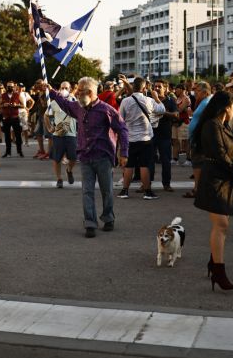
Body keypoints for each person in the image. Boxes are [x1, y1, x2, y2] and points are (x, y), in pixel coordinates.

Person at [49, 77, 128, 238]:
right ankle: (90, 223)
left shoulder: (106, 110)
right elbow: (64, 104)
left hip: (103, 157)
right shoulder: (79, 107)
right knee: (87, 192)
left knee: (107, 190)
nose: (76, 94)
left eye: (80, 91)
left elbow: (122, 129)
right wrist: (50, 91)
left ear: (90, 92)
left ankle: (108, 218)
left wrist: (124, 153)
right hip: (85, 156)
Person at [192, 91, 233, 290]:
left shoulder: (222, 125)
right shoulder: (211, 125)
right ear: (226, 107)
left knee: (223, 225)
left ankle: (214, 264)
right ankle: (218, 271)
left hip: (223, 178)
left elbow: (231, 151)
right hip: (214, 179)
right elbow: (219, 153)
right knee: (221, 225)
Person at [118, 77, 166, 200]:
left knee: (129, 166)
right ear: (144, 88)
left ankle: (124, 191)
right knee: (144, 165)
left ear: (133, 87)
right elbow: (162, 110)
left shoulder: (125, 101)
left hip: (130, 138)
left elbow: (120, 119)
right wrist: (156, 97)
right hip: (145, 138)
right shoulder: (149, 100)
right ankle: (147, 192)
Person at [45, 81, 78, 188]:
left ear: (70, 89)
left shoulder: (74, 101)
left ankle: (69, 170)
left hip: (71, 133)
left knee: (73, 157)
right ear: (59, 89)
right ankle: (59, 179)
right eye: (62, 87)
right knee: (57, 158)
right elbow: (46, 116)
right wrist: (49, 127)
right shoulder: (54, 103)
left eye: (66, 88)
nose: (64, 90)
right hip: (58, 134)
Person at [150, 79, 179, 192]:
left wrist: (163, 112)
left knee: (166, 160)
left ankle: (166, 184)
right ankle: (147, 184)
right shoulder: (150, 100)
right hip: (151, 134)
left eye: (159, 87)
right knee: (149, 160)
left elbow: (176, 115)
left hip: (165, 135)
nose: (157, 88)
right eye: (155, 86)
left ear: (165, 88)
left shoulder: (171, 101)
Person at [0, 80, 24, 157]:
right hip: (6, 118)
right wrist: (3, 105)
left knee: (18, 135)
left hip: (15, 117)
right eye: (8, 86)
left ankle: (19, 151)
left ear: (14, 87)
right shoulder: (3, 95)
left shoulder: (17, 95)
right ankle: (7, 152)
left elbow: (23, 105)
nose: (10, 88)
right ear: (6, 87)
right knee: (7, 136)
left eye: (11, 86)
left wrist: (16, 105)